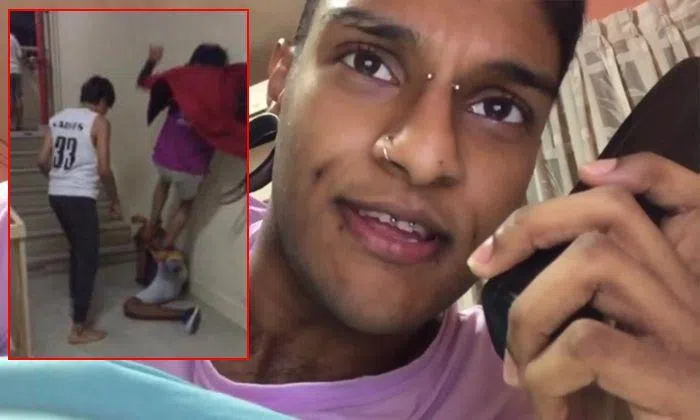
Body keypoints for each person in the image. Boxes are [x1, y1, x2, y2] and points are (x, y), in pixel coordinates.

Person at [37, 75, 122, 345]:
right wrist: (115, 199)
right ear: (102, 101)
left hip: (56, 195)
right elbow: (104, 169)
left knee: (77, 249)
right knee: (88, 258)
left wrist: (57, 179)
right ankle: (79, 328)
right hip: (80, 197)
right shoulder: (99, 122)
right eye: (107, 106)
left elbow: (41, 160)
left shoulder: (58, 118)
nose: (106, 111)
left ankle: (76, 299)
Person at [136, 44, 224, 256]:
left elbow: (143, 82)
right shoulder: (221, 93)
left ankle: (151, 225)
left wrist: (151, 61)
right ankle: (166, 243)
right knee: (186, 203)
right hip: (191, 166)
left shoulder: (178, 81)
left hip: (164, 157)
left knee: (163, 182)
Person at [10, 32, 27, 131]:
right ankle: (19, 124)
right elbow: (20, 55)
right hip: (16, 71)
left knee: (10, 98)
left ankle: (11, 123)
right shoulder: (13, 38)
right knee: (18, 98)